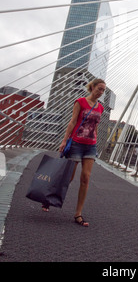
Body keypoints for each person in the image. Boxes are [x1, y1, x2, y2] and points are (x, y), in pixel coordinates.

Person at [53, 78, 106, 227]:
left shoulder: (100, 107)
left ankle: (78, 214)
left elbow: (95, 126)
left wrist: (96, 142)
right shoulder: (80, 102)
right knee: (68, 177)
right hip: (76, 143)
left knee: (85, 178)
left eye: (103, 90)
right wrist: (64, 141)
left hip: (90, 146)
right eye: (99, 89)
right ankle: (49, 198)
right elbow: (72, 121)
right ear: (92, 87)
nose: (101, 92)